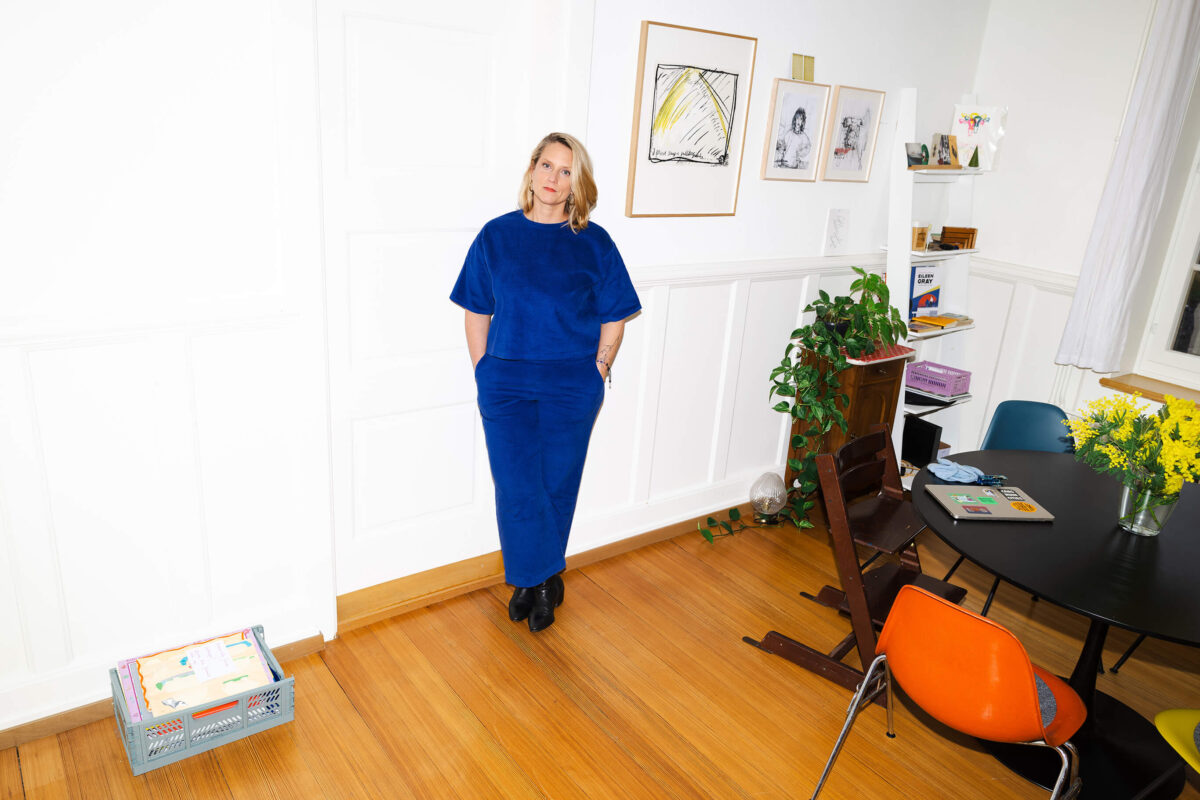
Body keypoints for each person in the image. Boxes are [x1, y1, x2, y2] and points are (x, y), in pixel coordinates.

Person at [450, 133, 640, 633]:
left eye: (566, 171)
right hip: (505, 382)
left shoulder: (594, 243)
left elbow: (615, 316)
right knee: (516, 487)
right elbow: (476, 310)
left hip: (571, 384)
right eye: (547, 165)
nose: (554, 178)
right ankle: (537, 580)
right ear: (532, 169)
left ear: (577, 184)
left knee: (556, 484)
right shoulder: (495, 236)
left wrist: (598, 369)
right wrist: (484, 369)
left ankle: (536, 584)